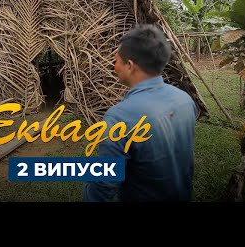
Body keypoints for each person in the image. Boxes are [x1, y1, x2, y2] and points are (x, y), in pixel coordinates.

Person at [83, 24, 197, 202]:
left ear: (129, 66)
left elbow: (103, 186)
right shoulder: (185, 100)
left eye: (116, 61)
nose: (114, 67)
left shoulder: (119, 117)